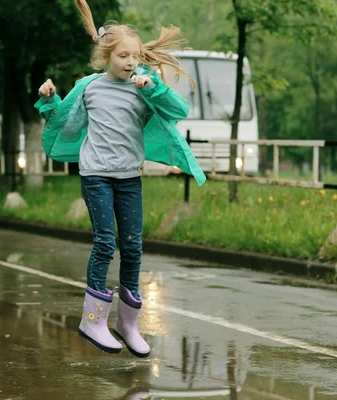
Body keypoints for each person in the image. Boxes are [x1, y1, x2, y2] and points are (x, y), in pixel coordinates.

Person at [34, 0, 206, 357]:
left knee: (133, 247)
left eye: (135, 55)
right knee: (104, 242)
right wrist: (51, 101)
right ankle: (93, 320)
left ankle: (128, 325)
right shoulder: (90, 88)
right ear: (105, 57)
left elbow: (180, 111)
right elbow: (69, 127)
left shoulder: (144, 88)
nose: (130, 62)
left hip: (129, 178)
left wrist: (152, 89)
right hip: (96, 175)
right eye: (123, 56)